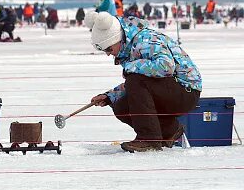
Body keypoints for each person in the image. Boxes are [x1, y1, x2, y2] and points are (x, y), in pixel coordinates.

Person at [85, 11, 202, 152]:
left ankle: (149, 139)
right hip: (169, 89)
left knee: (135, 79)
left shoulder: (145, 40)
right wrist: (110, 96)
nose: (109, 53)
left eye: (108, 48)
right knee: (121, 105)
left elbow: (166, 67)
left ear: (117, 39)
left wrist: (132, 67)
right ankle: (169, 130)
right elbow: (141, 83)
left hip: (186, 91)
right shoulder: (128, 47)